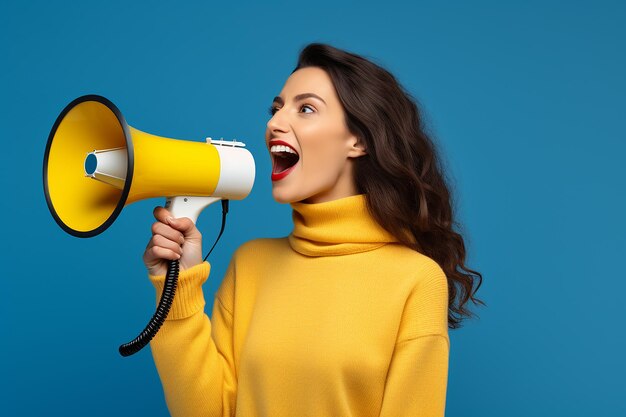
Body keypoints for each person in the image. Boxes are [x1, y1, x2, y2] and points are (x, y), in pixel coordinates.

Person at [143, 42, 484, 417]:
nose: (274, 123)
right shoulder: (251, 263)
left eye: (305, 109)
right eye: (276, 109)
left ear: (359, 140)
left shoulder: (416, 281)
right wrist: (176, 285)